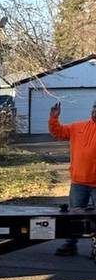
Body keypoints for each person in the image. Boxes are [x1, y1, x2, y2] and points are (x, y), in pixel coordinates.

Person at [48, 101, 96, 255]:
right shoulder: (78, 127)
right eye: (94, 108)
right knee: (74, 216)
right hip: (78, 182)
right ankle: (70, 245)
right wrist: (53, 118)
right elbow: (58, 132)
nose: (95, 111)